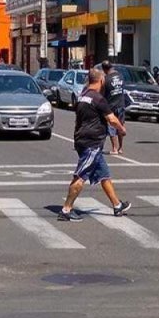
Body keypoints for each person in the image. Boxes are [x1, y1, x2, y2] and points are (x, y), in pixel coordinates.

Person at [59, 68, 131, 222]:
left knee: (104, 175)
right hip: (91, 143)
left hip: (84, 140)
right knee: (80, 176)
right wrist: (122, 129)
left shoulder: (82, 96)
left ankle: (117, 205)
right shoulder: (98, 99)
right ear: (101, 81)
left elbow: (79, 119)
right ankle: (66, 210)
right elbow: (112, 119)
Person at [101, 60, 126, 155]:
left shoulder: (106, 79)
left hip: (110, 106)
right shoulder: (120, 76)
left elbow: (103, 93)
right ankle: (121, 148)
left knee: (111, 126)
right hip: (121, 104)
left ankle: (114, 148)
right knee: (120, 125)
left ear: (104, 69)